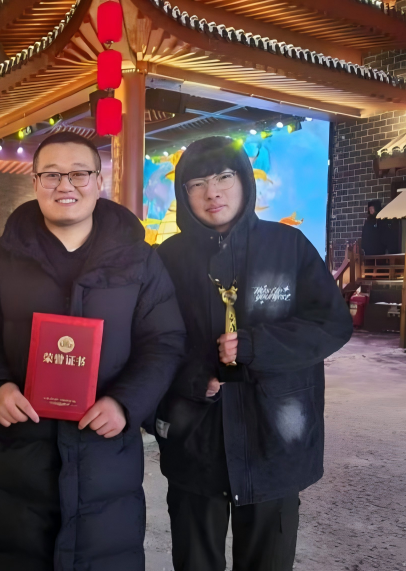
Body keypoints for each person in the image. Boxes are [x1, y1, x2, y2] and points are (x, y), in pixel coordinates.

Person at [0, 132, 187, 571]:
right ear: (35, 182)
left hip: (104, 456)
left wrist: (126, 403)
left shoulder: (139, 260)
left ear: (99, 181)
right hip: (20, 454)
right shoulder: (1, 260)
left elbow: (165, 341)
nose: (66, 185)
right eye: (52, 175)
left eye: (79, 174)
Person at [147, 136, 353, 571]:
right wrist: (193, 379)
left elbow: (332, 324)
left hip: (273, 442)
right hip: (195, 440)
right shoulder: (167, 259)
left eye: (224, 177)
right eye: (196, 184)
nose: (212, 193)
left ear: (244, 180)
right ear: (184, 194)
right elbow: (149, 339)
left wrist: (258, 346)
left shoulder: (288, 246)